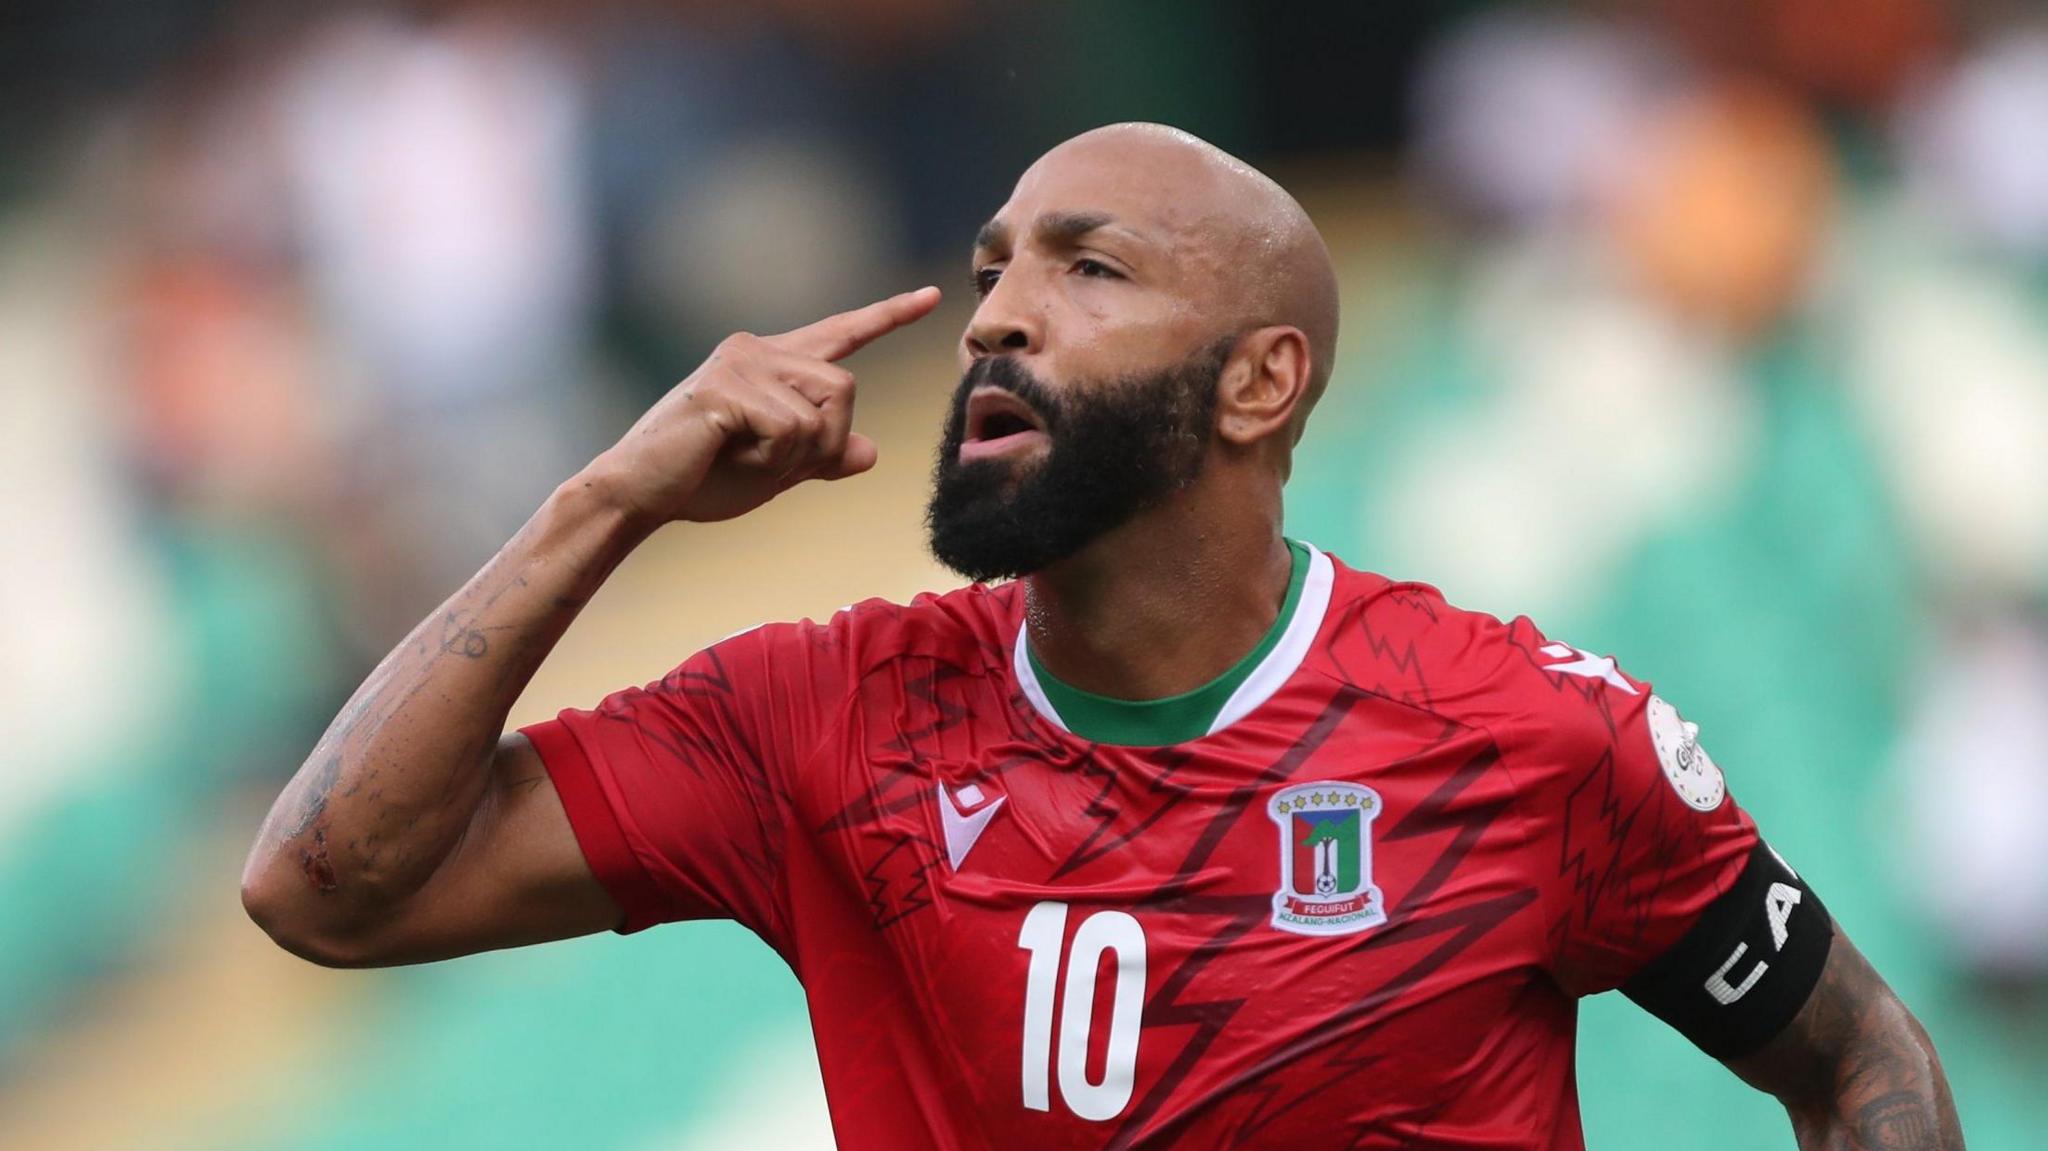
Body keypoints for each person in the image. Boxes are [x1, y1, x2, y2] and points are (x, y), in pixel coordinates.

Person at [242, 123, 1962, 1149]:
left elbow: (1862, 1058)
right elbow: (328, 887)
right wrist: (599, 502)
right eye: (994, 266)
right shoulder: (825, 719)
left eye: (1088, 270)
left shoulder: (1530, 737)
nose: (997, 314)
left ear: (1261, 380)